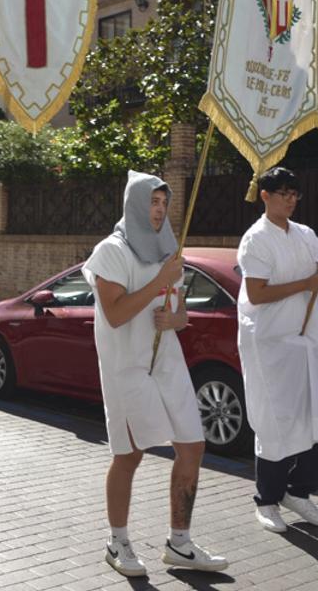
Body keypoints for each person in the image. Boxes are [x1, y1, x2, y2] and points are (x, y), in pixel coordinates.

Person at [83, 171, 227, 576]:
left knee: (192, 446)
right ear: (134, 204)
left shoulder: (169, 250)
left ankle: (179, 544)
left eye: (164, 203)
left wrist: (176, 319)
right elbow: (114, 315)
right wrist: (158, 284)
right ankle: (118, 541)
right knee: (129, 455)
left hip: (167, 361)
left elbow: (179, 312)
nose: (160, 210)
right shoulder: (111, 251)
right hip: (125, 366)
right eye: (153, 202)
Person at [237, 167, 318, 533]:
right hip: (270, 342)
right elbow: (256, 294)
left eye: (294, 193)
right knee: (277, 421)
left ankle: (299, 492)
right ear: (265, 195)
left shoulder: (306, 235)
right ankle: (267, 501)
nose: (290, 198)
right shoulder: (255, 239)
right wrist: (304, 281)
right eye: (282, 192)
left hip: (309, 338)